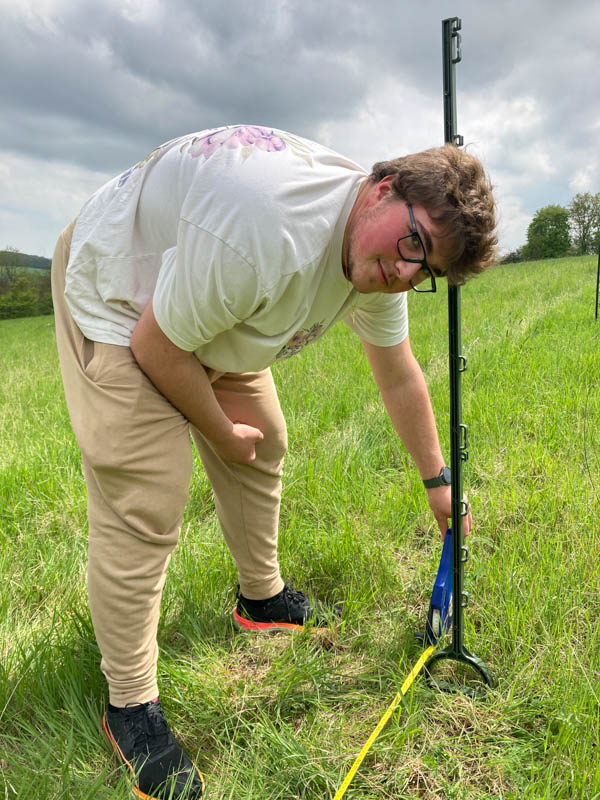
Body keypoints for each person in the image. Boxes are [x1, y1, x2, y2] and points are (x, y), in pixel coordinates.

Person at [51, 124, 496, 799]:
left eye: (426, 272)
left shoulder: (378, 261)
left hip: (204, 305)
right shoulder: (267, 228)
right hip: (119, 295)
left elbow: (398, 374)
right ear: (381, 188)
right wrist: (218, 432)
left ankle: (260, 601)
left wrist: (439, 482)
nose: (406, 274)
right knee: (146, 496)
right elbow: (158, 346)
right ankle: (129, 704)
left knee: (267, 439)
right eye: (414, 246)